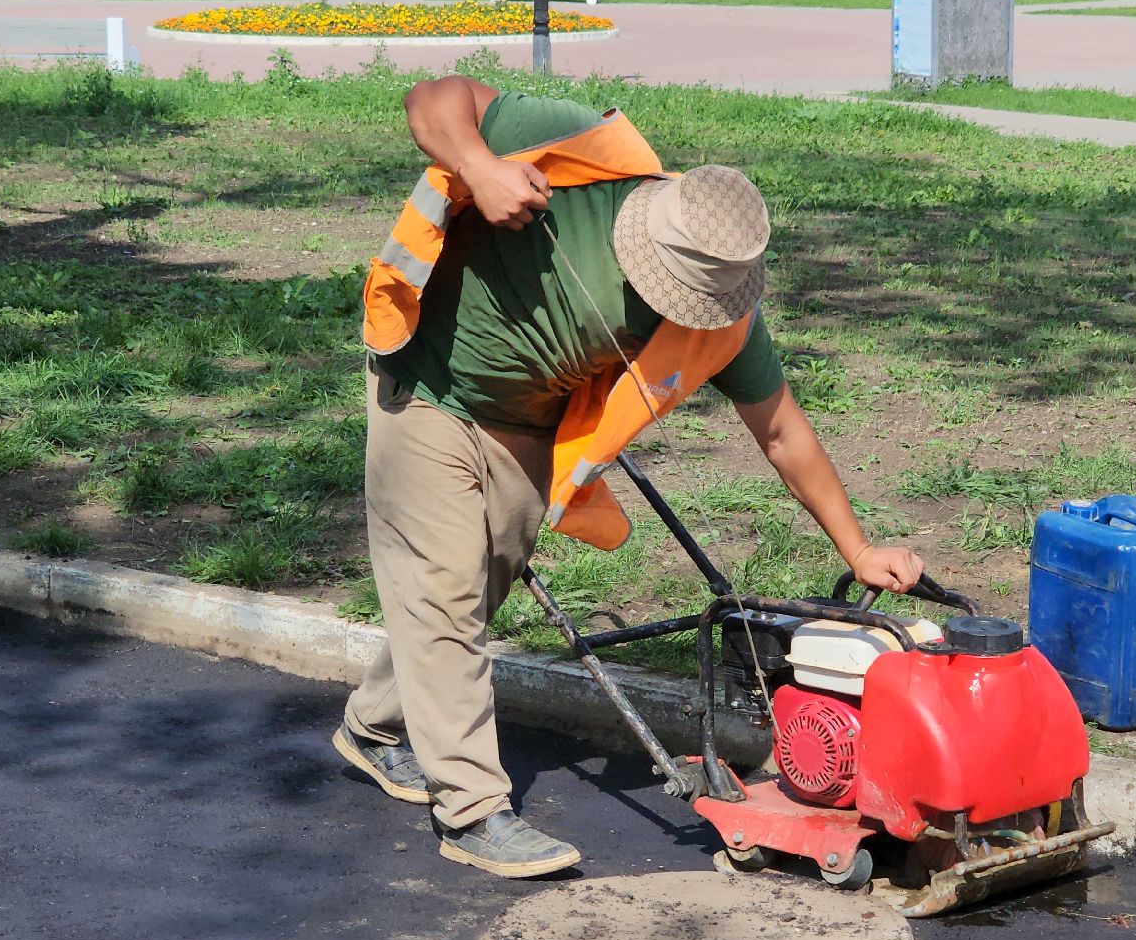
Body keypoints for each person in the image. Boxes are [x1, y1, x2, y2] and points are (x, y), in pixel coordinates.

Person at [333, 76, 926, 879]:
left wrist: (858, 550)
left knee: (469, 591)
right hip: (428, 387)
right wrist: (477, 163)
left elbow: (783, 432)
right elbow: (433, 95)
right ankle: (471, 811)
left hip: (522, 426)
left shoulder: (721, 318)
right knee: (441, 591)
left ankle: (372, 726)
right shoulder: (576, 154)